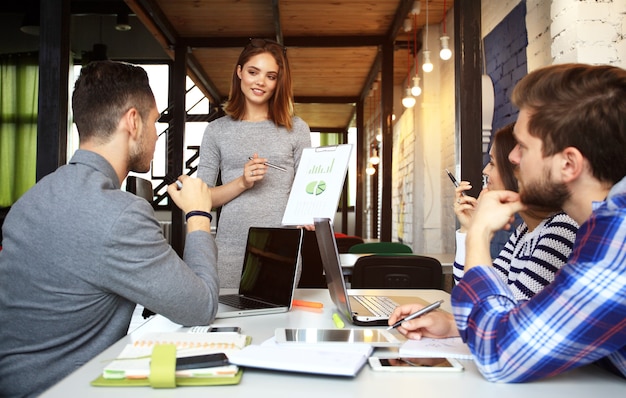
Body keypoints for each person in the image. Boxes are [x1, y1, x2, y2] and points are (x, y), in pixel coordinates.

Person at [390, 63, 626, 382]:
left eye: (523, 147)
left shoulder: (618, 239)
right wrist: (456, 326)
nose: (512, 158)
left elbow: (499, 354)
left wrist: (477, 235)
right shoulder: (599, 228)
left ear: (568, 163)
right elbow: (527, 325)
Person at [0, 61, 219, 397]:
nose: (156, 133)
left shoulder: (31, 199)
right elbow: (201, 306)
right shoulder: (121, 214)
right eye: (155, 120)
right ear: (133, 121)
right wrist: (199, 213)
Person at [198, 38, 311, 288]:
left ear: (278, 82)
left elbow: (307, 191)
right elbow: (201, 198)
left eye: (271, 76)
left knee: (276, 323)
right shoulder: (216, 131)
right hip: (228, 251)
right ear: (239, 72)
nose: (260, 82)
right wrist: (242, 182)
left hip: (282, 252)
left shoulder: (297, 129)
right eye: (253, 72)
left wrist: (309, 210)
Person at [453, 123, 579, 301]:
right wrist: (469, 228)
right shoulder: (524, 232)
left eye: (492, 163)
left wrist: (479, 232)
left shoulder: (563, 229)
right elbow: (467, 290)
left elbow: (495, 315)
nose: (485, 171)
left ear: (515, 172)